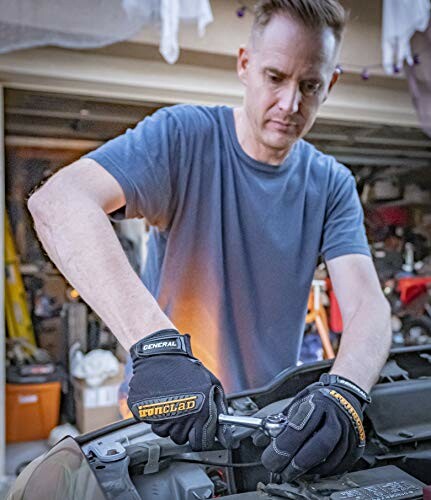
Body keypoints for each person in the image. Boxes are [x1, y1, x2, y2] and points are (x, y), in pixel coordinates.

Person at [28, 0, 392, 482]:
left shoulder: (331, 183)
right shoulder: (184, 137)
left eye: (310, 86)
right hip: (171, 420)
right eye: (275, 77)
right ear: (245, 64)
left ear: (332, 83)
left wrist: (346, 389)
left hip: (267, 423)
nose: (290, 104)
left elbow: (367, 301)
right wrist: (157, 348)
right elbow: (58, 202)